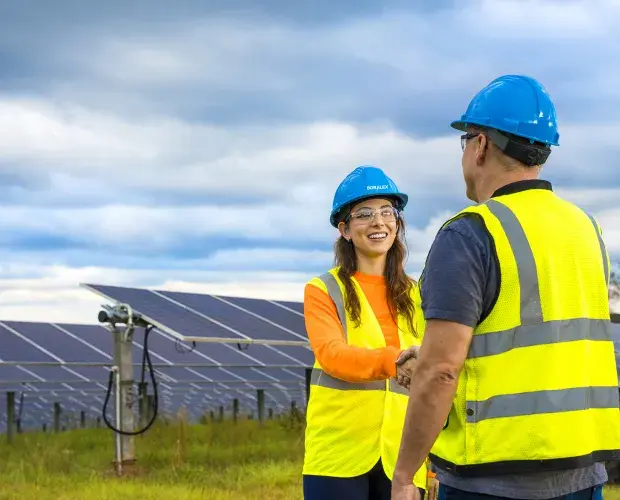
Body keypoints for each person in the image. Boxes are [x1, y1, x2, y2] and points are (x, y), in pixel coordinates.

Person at [390, 74, 620, 500]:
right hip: (584, 474)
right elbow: (546, 341)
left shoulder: (470, 233)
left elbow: (443, 370)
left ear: (479, 146)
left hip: (491, 479)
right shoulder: (586, 229)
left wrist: (405, 475)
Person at [302, 165, 433, 500]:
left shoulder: (418, 295)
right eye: (364, 214)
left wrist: (433, 462)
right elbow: (331, 355)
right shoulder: (323, 290)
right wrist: (394, 362)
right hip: (338, 455)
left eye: (387, 212)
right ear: (344, 229)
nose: (379, 222)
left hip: (403, 456)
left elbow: (435, 374)